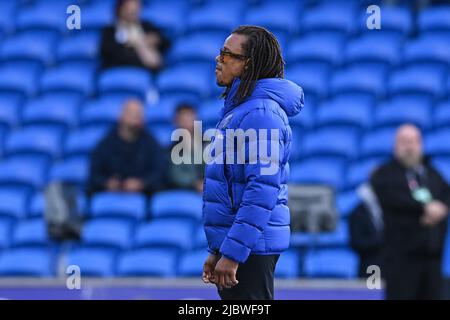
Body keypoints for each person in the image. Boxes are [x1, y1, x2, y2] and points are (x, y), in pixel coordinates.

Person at [201, 25, 304, 300]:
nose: (218, 59)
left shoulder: (260, 113)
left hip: (250, 249)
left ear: (247, 65)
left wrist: (233, 253)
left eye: (226, 54)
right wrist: (219, 250)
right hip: (243, 246)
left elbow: (261, 190)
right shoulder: (244, 110)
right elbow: (232, 187)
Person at [370, 124, 450, 300]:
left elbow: (446, 194)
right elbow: (392, 197)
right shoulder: (384, 174)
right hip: (401, 261)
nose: (409, 147)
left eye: (413, 142)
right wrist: (424, 208)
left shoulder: (431, 173)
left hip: (432, 260)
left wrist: (441, 209)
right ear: (395, 145)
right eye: (404, 142)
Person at [87, 99, 166, 196]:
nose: (135, 118)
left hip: (143, 197)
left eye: (138, 114)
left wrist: (141, 183)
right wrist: (107, 183)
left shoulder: (151, 144)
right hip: (111, 196)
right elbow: (95, 174)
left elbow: (159, 172)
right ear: (121, 115)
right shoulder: (106, 144)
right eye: (131, 114)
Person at [100, 0, 170, 72]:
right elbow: (106, 52)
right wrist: (132, 45)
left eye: (136, 7)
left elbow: (165, 42)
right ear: (120, 9)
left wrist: (155, 39)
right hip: (117, 70)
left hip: (146, 71)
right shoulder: (110, 30)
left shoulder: (146, 26)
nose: (133, 11)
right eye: (129, 8)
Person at [167, 103, 204, 192]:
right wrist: (195, 184)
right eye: (183, 118)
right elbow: (175, 175)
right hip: (184, 191)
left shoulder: (209, 144)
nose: (187, 121)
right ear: (176, 121)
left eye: (190, 116)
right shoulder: (172, 149)